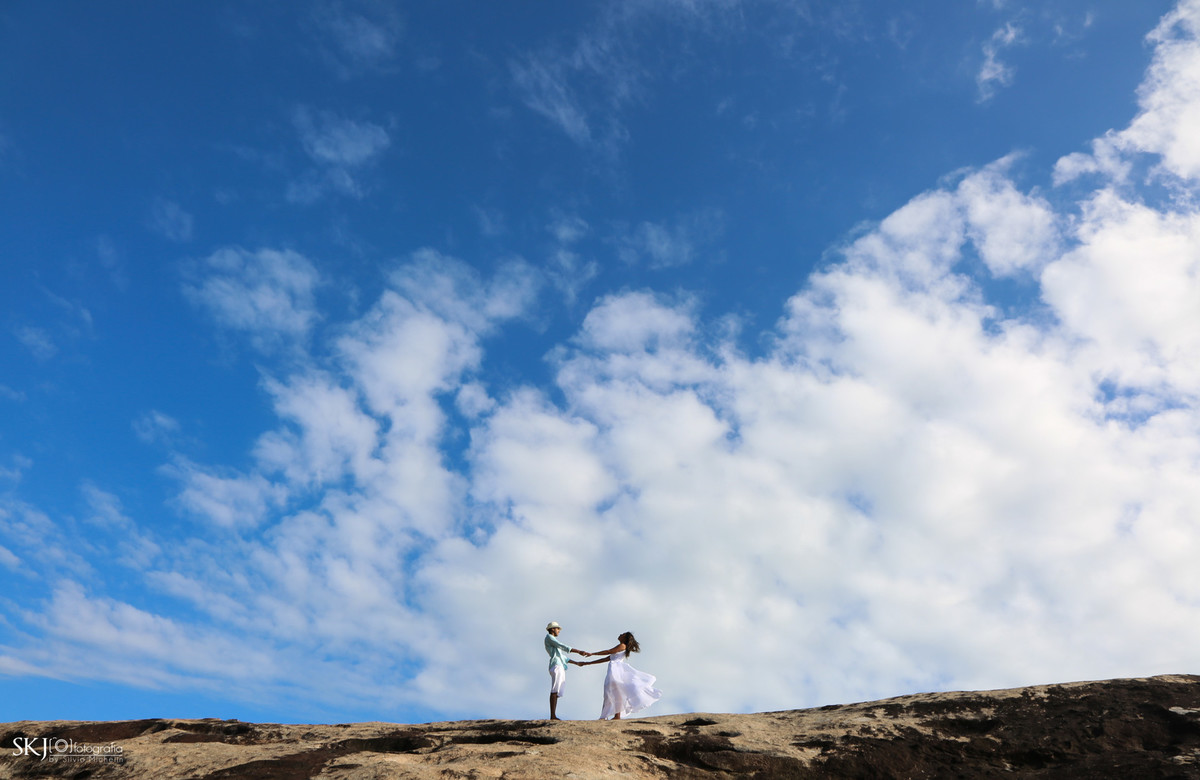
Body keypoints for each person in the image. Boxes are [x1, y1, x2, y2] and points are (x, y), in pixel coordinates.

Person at [570, 631, 662, 720]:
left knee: (613, 692)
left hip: (616, 671)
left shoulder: (622, 645)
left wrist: (592, 653)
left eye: (623, 634)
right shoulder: (621, 648)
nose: (620, 634)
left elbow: (609, 651)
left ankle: (612, 716)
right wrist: (587, 663)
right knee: (614, 692)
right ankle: (613, 716)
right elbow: (606, 658)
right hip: (614, 670)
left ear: (625, 638)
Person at [544, 621, 590, 720]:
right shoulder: (549, 638)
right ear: (552, 629)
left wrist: (577, 663)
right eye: (557, 629)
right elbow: (562, 646)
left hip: (560, 666)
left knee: (556, 690)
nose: (559, 631)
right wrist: (579, 651)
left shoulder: (554, 644)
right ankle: (552, 716)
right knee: (554, 690)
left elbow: (564, 658)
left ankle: (553, 715)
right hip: (556, 666)